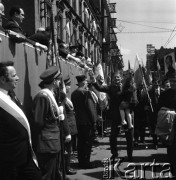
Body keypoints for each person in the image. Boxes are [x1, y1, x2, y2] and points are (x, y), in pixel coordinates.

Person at [0, 61, 41, 180]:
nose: (17, 78)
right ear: (3, 79)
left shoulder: (12, 96)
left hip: (25, 156)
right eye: (13, 76)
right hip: (9, 162)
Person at [89, 71, 134, 162]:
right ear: (112, 79)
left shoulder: (127, 87)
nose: (116, 79)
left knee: (129, 137)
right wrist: (93, 79)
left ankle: (130, 156)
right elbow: (99, 87)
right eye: (115, 77)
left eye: (118, 77)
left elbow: (134, 99)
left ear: (121, 78)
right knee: (113, 137)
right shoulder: (110, 88)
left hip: (127, 116)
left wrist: (128, 105)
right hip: (115, 116)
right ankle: (114, 154)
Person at [32, 66, 65, 180]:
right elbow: (38, 122)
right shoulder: (43, 97)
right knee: (47, 175)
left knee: (53, 173)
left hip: (52, 143)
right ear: (54, 81)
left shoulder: (49, 95)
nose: (60, 82)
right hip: (47, 143)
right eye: (59, 80)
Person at [71, 75, 97, 169]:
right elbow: (90, 108)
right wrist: (94, 121)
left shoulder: (74, 93)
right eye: (86, 81)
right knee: (87, 143)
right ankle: (86, 163)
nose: (87, 83)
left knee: (80, 143)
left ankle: (81, 161)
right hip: (87, 122)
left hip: (78, 121)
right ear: (82, 82)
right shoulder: (86, 93)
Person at [62, 76, 77, 175]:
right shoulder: (63, 99)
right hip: (68, 126)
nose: (69, 88)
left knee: (70, 148)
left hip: (72, 125)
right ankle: (66, 167)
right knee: (67, 149)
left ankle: (68, 165)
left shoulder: (67, 98)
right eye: (68, 86)